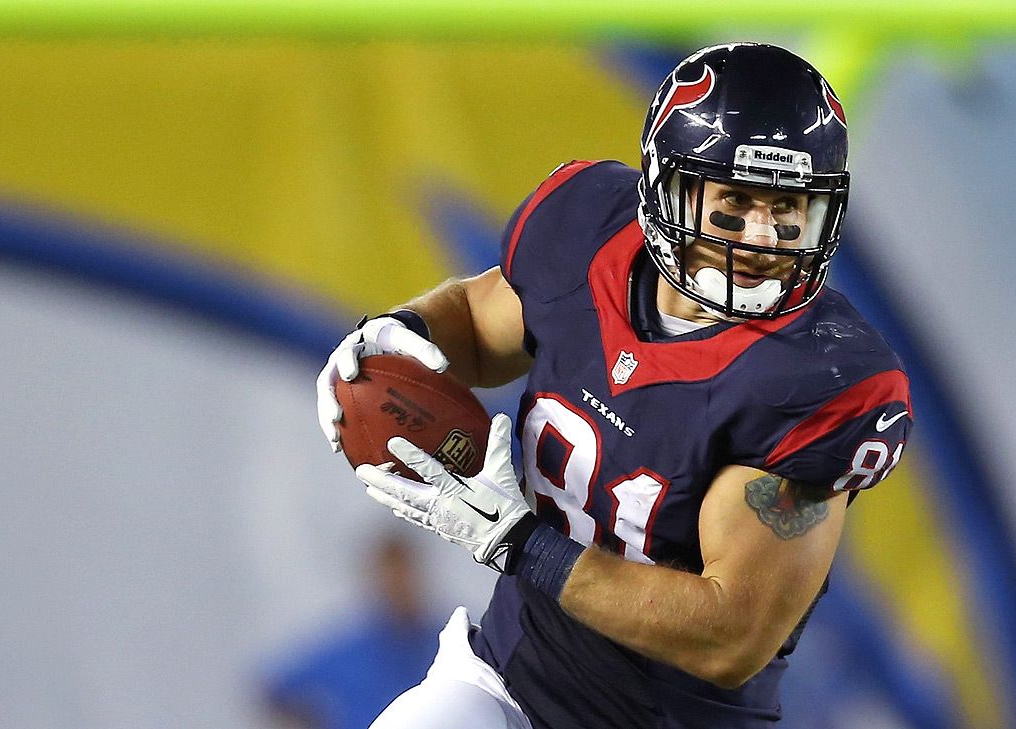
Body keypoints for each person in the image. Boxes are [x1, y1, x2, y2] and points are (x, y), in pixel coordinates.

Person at [316, 42, 913, 728]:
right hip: (509, 680)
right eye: (736, 203)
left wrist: (524, 544)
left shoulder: (817, 378)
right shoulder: (586, 233)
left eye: (789, 209)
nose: (762, 238)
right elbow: (480, 325)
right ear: (666, 186)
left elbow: (730, 634)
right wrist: (397, 336)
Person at [263, 536, 439, 728]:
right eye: (389, 578)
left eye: (403, 576)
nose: (397, 587)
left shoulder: (447, 642)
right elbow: (276, 690)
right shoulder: (348, 650)